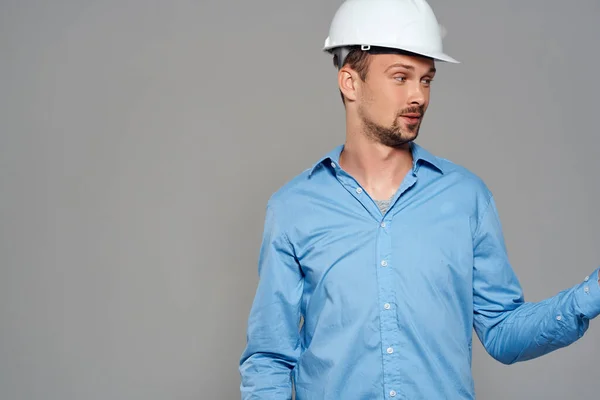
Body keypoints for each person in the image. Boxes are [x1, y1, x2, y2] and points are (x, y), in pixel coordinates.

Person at [238, 0, 600, 398]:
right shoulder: (294, 209)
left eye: (426, 80)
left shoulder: (466, 198)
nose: (419, 97)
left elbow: (502, 331)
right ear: (350, 83)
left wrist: (590, 295)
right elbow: (270, 358)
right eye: (400, 77)